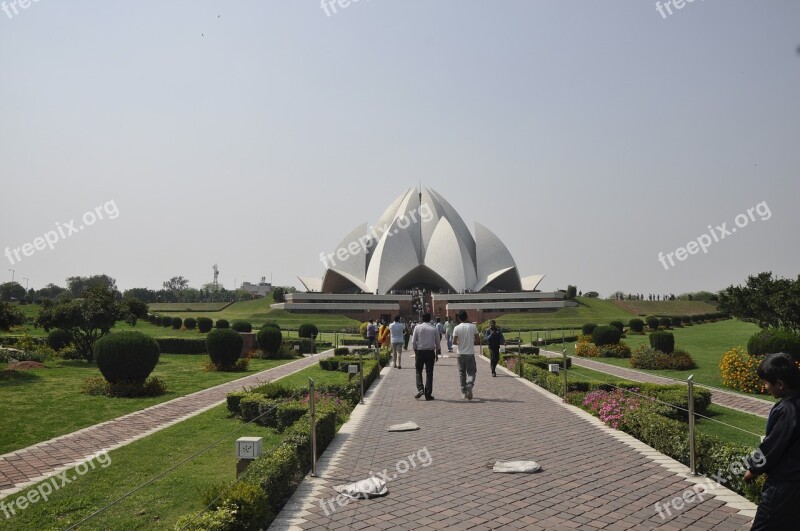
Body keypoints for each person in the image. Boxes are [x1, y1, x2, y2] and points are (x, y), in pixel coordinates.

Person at [744, 352, 800, 529]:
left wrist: (753, 470)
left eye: (766, 382)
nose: (765, 386)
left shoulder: (787, 410)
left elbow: (772, 446)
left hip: (783, 485)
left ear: (781, 384)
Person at [411, 313, 440, 400]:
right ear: (430, 319)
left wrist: (415, 351)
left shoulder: (417, 327)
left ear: (422, 319)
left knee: (418, 371)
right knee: (429, 374)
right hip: (430, 352)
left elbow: (413, 342)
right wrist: (437, 354)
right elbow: (438, 343)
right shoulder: (434, 328)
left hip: (420, 352)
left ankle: (420, 389)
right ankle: (428, 394)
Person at [452, 310, 480, 400]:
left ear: (459, 318)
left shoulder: (456, 328)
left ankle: (464, 391)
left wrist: (460, 342)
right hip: (470, 353)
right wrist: (471, 341)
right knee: (471, 372)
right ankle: (470, 384)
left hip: (460, 353)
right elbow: (478, 340)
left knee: (462, 372)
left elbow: (454, 342)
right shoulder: (473, 327)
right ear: (467, 317)